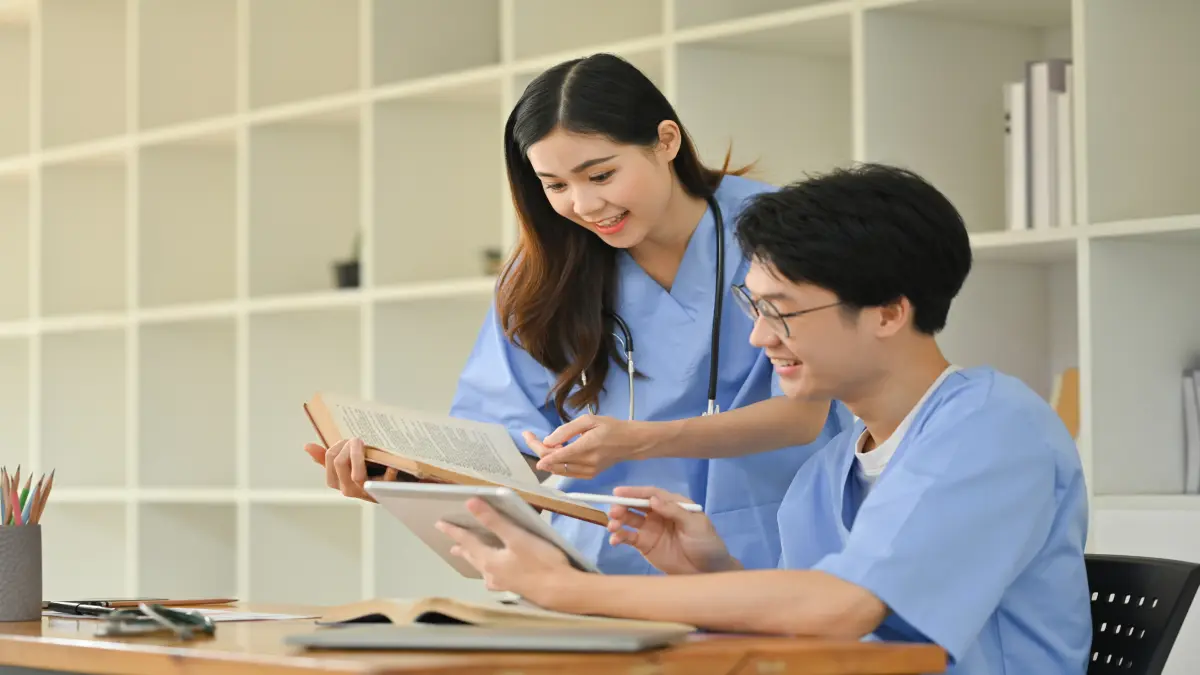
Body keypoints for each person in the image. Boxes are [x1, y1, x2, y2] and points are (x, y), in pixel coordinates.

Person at [435, 163, 1093, 674]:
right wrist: (712, 570)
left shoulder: (989, 428)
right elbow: (815, 619)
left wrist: (570, 591)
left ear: (889, 312)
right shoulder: (835, 464)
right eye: (754, 308)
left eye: (782, 310)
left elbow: (841, 607)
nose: (759, 338)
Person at [305, 52, 852, 575]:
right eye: (556, 186)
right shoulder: (541, 274)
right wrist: (406, 482)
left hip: (772, 557)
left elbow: (802, 415)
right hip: (601, 572)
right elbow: (513, 457)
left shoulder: (779, 232)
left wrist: (640, 440)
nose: (585, 207)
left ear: (665, 141)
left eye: (601, 175)